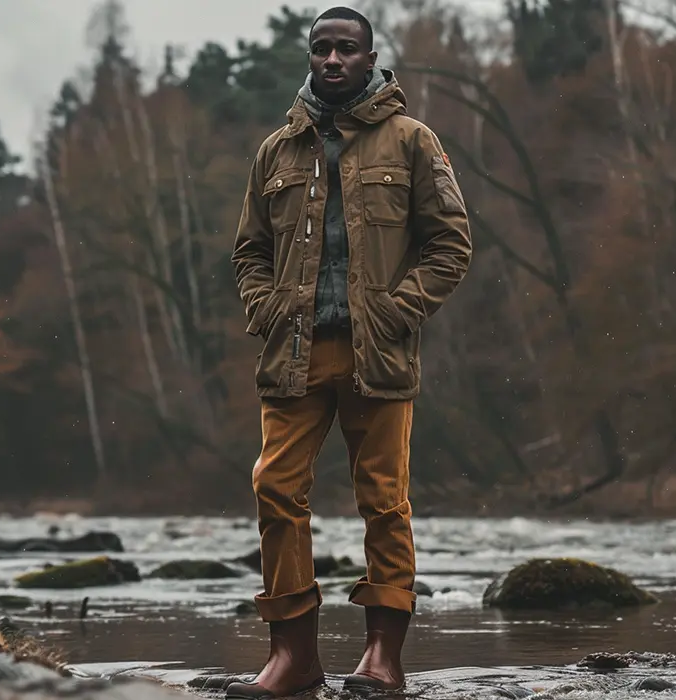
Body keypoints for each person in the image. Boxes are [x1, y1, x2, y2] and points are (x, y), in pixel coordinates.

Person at [227, 5, 472, 698]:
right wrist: (267, 307)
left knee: (384, 502)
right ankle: (292, 658)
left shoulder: (413, 141)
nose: (332, 60)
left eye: (345, 50)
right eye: (322, 49)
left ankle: (382, 659)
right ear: (311, 57)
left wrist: (398, 310)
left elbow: (451, 246)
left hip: (380, 355)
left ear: (370, 59)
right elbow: (249, 251)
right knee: (275, 490)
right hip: (294, 354)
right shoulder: (276, 151)